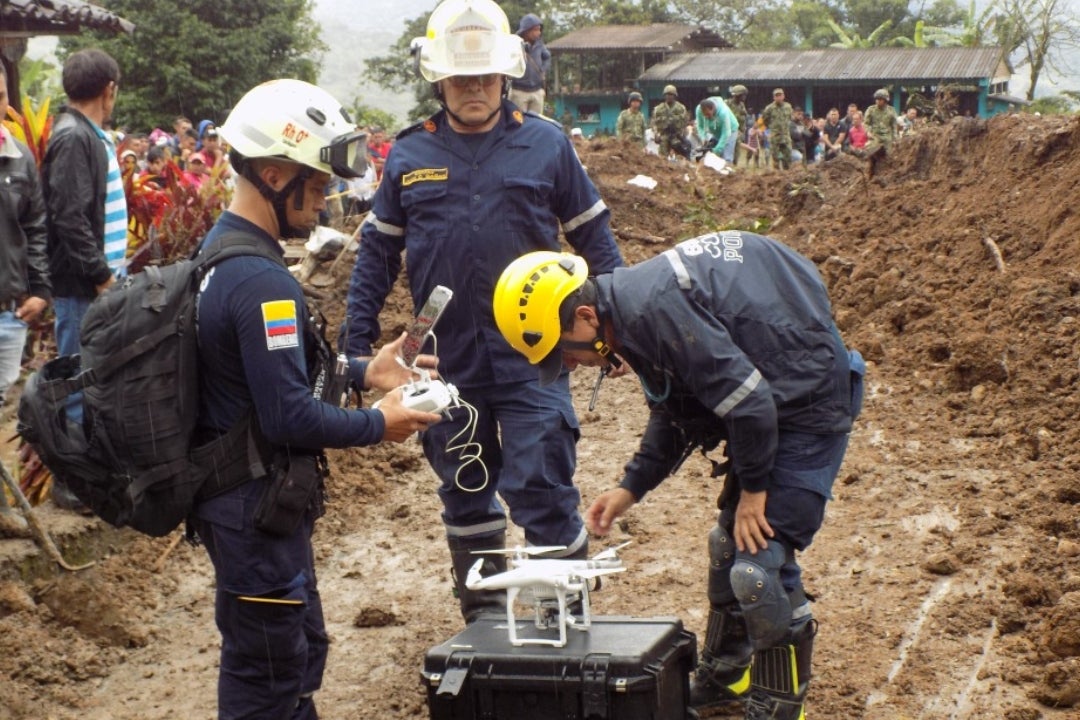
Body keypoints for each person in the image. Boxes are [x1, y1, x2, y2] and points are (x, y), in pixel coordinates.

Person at [493, 234, 864, 720]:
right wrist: (630, 489)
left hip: (808, 404)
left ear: (585, 317)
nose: (568, 365)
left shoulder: (652, 311)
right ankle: (730, 674)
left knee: (759, 567)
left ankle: (778, 700)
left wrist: (754, 491)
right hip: (769, 402)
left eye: (564, 352)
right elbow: (675, 412)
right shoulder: (626, 316)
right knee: (726, 548)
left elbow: (750, 403)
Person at [343, 0, 624, 624]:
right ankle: (485, 627)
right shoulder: (411, 155)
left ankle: (564, 623)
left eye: (485, 76)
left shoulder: (546, 145)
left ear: (507, 74)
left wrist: (621, 323)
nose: (473, 88)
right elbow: (376, 258)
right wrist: (355, 352)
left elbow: (596, 240)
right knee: (466, 491)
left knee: (543, 487)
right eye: (460, 77)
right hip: (445, 365)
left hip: (535, 359)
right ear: (438, 80)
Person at [191, 78, 440, 720]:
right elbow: (288, 414)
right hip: (254, 511)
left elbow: (273, 376)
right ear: (274, 173)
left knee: (291, 659)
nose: (325, 197)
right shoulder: (261, 281)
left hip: (246, 509)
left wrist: (364, 371)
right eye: (316, 182)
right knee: (269, 677)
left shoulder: (223, 255)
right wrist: (376, 422)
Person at [41, 48, 126, 510]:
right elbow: (69, 217)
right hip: (83, 288)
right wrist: (99, 277)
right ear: (107, 89)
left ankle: (90, 474)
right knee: (75, 376)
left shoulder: (88, 134)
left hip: (97, 284)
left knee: (90, 375)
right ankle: (69, 483)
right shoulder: (74, 137)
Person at [0, 62, 51, 407]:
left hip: (9, 315)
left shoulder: (20, 159)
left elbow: (34, 229)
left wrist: (41, 291)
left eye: (0, 96)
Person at [509, 13, 550, 114]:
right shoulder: (515, 44)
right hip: (519, 90)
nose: (538, 33)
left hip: (536, 90)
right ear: (526, 30)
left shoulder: (540, 45)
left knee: (536, 121)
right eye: (535, 30)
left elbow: (547, 57)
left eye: (539, 29)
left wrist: (543, 69)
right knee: (518, 121)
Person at [695, 97, 739, 162]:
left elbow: (726, 133)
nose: (706, 117)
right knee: (717, 156)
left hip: (730, 130)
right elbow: (700, 126)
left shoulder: (723, 112)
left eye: (708, 114)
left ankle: (728, 168)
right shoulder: (699, 110)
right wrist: (703, 138)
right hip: (716, 131)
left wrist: (716, 150)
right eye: (704, 115)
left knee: (726, 156)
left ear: (713, 108)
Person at [652, 84, 689, 159]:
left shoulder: (681, 108)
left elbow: (685, 123)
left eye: (671, 94)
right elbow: (654, 123)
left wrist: (683, 135)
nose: (669, 96)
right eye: (667, 94)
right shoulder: (659, 109)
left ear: (675, 96)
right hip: (664, 136)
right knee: (662, 159)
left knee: (680, 158)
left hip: (677, 136)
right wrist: (656, 134)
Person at [760, 88, 793, 169]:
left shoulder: (788, 107)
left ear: (783, 96)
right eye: (776, 96)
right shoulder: (769, 108)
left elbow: (790, 118)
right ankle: (777, 176)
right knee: (775, 159)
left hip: (785, 136)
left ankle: (787, 175)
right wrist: (766, 131)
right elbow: (763, 121)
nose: (778, 97)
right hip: (775, 136)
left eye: (780, 95)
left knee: (788, 157)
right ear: (773, 97)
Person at [864, 88, 898, 155]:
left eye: (880, 99)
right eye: (876, 99)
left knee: (890, 154)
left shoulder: (891, 111)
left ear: (885, 100)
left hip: (887, 137)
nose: (877, 101)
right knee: (870, 153)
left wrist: (895, 139)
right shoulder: (871, 110)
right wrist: (868, 132)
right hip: (875, 136)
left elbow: (894, 126)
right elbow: (866, 123)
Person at [726, 85, 749, 165]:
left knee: (736, 154)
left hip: (738, 133)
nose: (744, 97)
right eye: (743, 95)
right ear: (737, 95)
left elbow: (743, 119)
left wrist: (742, 131)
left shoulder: (742, 105)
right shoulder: (727, 104)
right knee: (727, 153)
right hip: (728, 132)